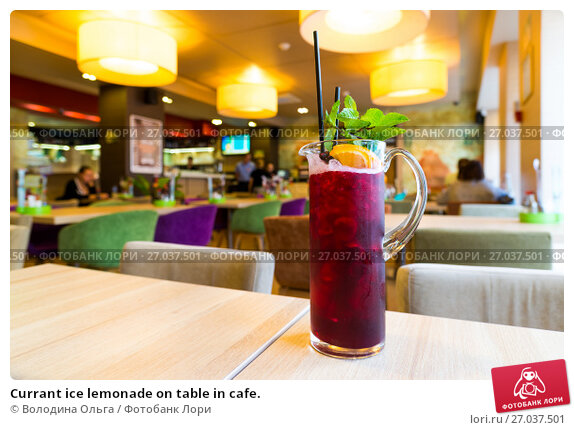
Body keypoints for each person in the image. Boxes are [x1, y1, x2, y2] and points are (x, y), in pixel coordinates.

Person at [437, 159, 507, 204]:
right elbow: (507, 197)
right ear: (481, 171)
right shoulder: (488, 186)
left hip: (458, 223)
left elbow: (440, 200)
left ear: (463, 171)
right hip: (486, 223)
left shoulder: (455, 186)